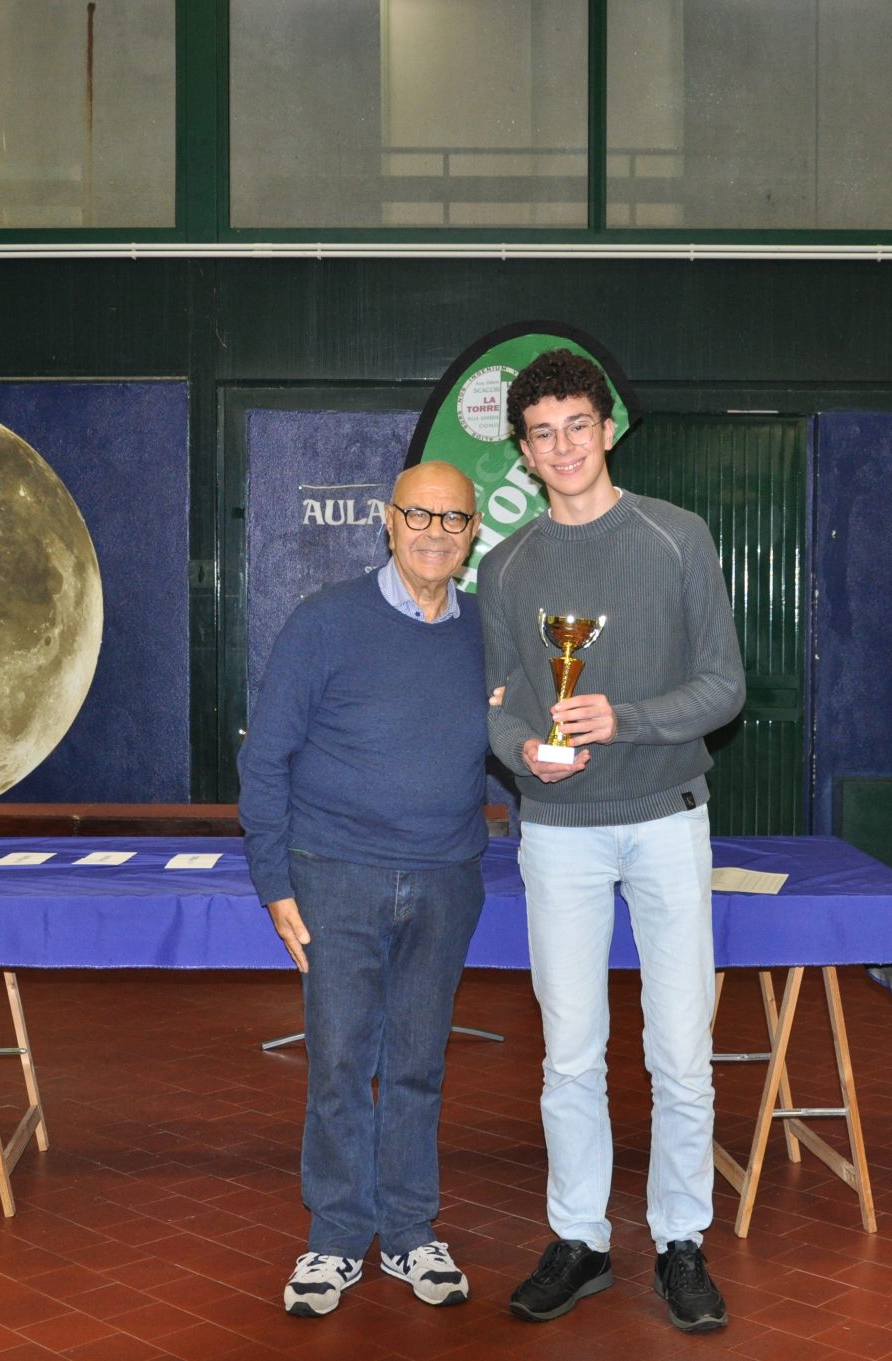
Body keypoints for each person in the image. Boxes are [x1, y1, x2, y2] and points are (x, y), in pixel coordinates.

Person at [479, 348, 746, 1333]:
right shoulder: (505, 564)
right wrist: (524, 756)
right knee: (569, 1053)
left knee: (681, 1050)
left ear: (608, 427)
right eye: (541, 433)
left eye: (577, 426)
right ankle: (581, 1238)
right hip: (557, 831)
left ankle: (682, 1238)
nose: (562, 447)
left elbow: (725, 687)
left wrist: (617, 718)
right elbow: (501, 707)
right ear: (524, 448)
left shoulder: (677, 537)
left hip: (668, 819)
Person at [239, 460, 491, 1318]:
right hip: (332, 876)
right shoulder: (324, 622)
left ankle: (412, 1230)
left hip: (447, 878)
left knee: (418, 1064)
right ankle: (338, 1237)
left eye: (452, 519)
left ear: (472, 533)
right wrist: (273, 880)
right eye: (418, 516)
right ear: (387, 522)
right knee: (343, 1063)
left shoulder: (484, 631)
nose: (433, 532)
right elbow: (264, 757)